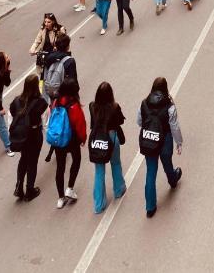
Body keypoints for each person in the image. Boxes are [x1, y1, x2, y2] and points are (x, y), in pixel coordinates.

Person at [137, 77, 183, 218]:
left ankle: (150, 207)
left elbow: (139, 121)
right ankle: (173, 179)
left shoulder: (144, 103)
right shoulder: (170, 106)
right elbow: (174, 126)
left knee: (151, 172)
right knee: (167, 163)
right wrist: (179, 142)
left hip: (149, 140)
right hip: (165, 140)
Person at [88, 82, 126, 213]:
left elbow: (92, 123)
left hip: (97, 139)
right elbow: (120, 121)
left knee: (99, 171)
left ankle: (99, 205)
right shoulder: (114, 107)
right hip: (111, 137)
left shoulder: (92, 106)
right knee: (115, 164)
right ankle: (118, 190)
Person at [9, 73, 48, 201]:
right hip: (34, 134)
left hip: (21, 136)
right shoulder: (41, 102)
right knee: (33, 162)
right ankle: (29, 190)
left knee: (23, 159)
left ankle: (19, 187)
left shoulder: (16, 101)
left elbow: (11, 116)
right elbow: (44, 118)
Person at [49, 78, 87, 208]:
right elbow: (80, 123)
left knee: (60, 167)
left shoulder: (56, 102)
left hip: (59, 139)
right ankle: (70, 188)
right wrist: (83, 138)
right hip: (72, 139)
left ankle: (60, 198)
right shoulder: (74, 105)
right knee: (76, 160)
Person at [30, 13, 67, 93]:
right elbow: (37, 40)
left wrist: (56, 48)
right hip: (44, 55)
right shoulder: (43, 29)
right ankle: (46, 92)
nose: (46, 24)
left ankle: (58, 88)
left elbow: (63, 42)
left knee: (55, 74)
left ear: (53, 21)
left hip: (54, 55)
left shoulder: (60, 29)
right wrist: (32, 49)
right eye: (45, 22)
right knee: (42, 75)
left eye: (48, 22)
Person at [43, 33, 78, 98]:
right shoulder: (69, 61)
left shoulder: (49, 58)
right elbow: (73, 81)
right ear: (67, 46)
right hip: (66, 96)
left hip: (53, 93)